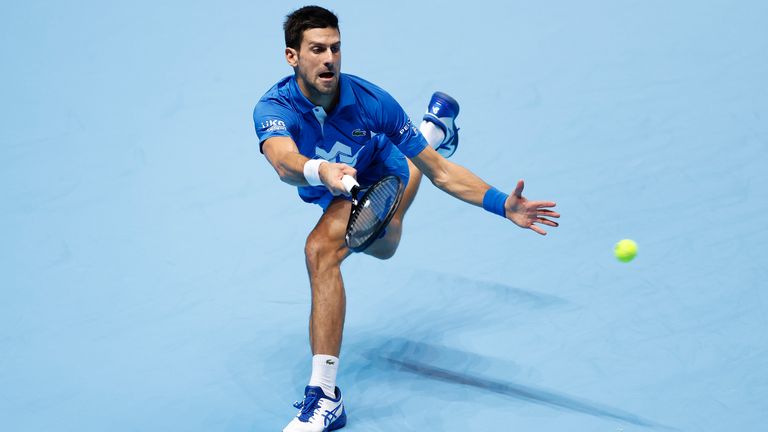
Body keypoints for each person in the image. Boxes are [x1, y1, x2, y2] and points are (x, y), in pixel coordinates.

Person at [253, 6, 560, 431]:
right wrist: (322, 172)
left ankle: (325, 398)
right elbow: (284, 162)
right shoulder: (274, 107)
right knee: (346, 249)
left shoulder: (373, 103)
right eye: (317, 49)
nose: (329, 59)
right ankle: (433, 128)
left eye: (336, 48)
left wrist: (501, 203)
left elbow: (441, 172)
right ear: (292, 57)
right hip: (329, 182)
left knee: (362, 246)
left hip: (378, 175)